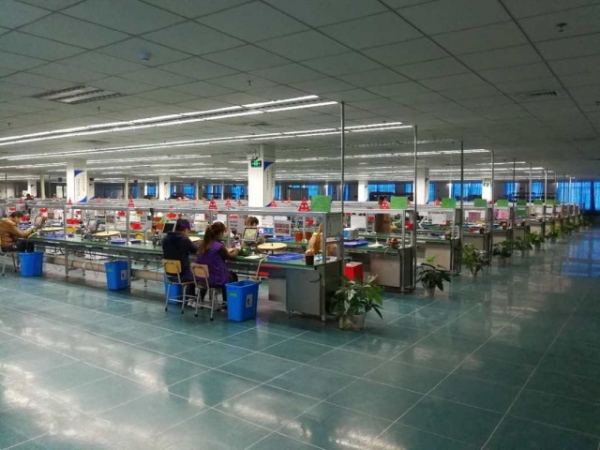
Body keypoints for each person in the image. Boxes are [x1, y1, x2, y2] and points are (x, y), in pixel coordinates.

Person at [195, 222, 239, 306]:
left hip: (201, 279)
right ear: (220, 233)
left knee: (207, 272)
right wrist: (237, 250)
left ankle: (199, 299)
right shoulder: (219, 246)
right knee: (232, 276)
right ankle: (226, 304)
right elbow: (231, 257)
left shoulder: (202, 244)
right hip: (215, 280)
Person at [162, 219, 198, 303]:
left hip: (169, 274)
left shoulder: (165, 239)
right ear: (185, 230)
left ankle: (190, 297)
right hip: (183, 274)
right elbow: (195, 250)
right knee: (197, 275)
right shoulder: (184, 240)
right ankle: (192, 298)